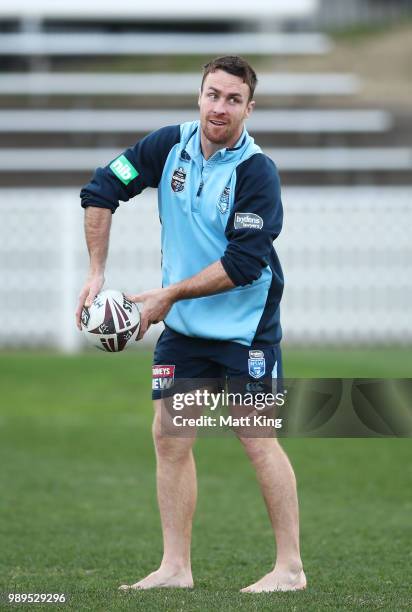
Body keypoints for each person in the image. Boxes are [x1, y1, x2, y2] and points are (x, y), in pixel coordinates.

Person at [76, 55, 306, 593]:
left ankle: (289, 568)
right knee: (171, 439)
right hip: (184, 330)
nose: (219, 107)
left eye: (232, 99)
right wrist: (95, 274)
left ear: (250, 107)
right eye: (212, 94)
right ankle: (175, 567)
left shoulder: (257, 172)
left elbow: (245, 264)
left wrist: (167, 295)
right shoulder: (168, 147)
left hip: (245, 330)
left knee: (256, 438)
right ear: (199, 96)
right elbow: (102, 188)